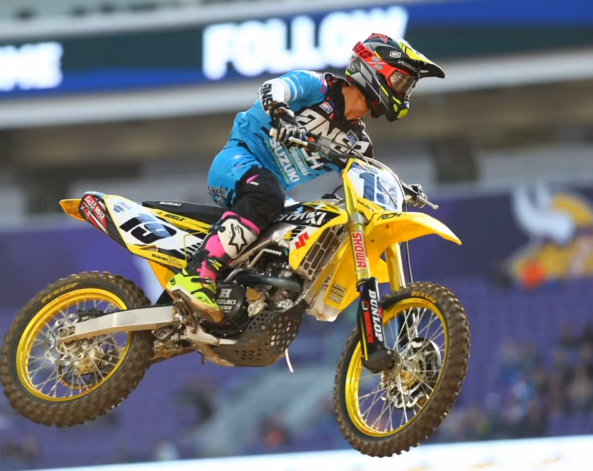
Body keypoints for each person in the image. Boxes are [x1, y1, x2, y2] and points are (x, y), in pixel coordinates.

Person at [167, 33, 445, 322]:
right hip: (236, 162)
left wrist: (398, 188)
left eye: (408, 86)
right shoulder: (317, 86)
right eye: (401, 81)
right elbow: (272, 88)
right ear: (374, 68)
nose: (404, 92)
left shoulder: (358, 144)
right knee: (268, 193)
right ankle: (195, 276)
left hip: (273, 196)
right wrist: (282, 114)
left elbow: (369, 174)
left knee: (308, 225)